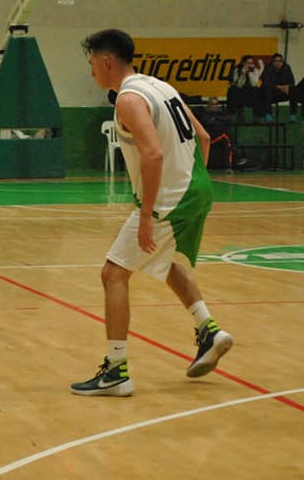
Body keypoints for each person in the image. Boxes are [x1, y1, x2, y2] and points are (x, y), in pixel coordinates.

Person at [71, 29, 233, 396]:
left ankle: (116, 370)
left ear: (106, 62)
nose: (91, 72)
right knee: (165, 259)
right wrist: (192, 182)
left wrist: (147, 215)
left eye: (92, 64)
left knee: (113, 273)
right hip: (197, 189)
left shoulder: (128, 99)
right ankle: (208, 331)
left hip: (169, 200)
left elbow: (154, 154)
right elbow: (203, 137)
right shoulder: (161, 87)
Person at [197, 97, 235, 173]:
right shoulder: (205, 114)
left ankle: (228, 167)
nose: (214, 106)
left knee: (226, 139)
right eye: (212, 104)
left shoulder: (222, 113)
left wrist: (215, 119)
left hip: (220, 135)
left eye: (215, 104)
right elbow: (207, 122)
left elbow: (228, 120)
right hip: (209, 136)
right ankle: (204, 167)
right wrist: (218, 120)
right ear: (209, 105)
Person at [259, 52, 297, 123]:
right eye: (276, 61)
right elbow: (266, 83)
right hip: (271, 93)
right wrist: (278, 87)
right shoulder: (267, 68)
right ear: (272, 62)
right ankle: (268, 115)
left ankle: (293, 115)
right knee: (266, 90)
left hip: (283, 92)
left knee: (293, 90)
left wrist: (287, 86)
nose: (278, 63)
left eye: (280, 61)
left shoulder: (286, 68)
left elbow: (292, 82)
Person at [227, 55, 264, 123]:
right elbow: (239, 85)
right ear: (243, 63)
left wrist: (250, 73)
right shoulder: (237, 70)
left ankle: (256, 116)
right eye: (248, 63)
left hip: (249, 94)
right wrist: (242, 74)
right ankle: (234, 115)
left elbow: (254, 84)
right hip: (238, 93)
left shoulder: (255, 70)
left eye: (251, 63)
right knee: (232, 90)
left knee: (257, 90)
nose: (250, 65)